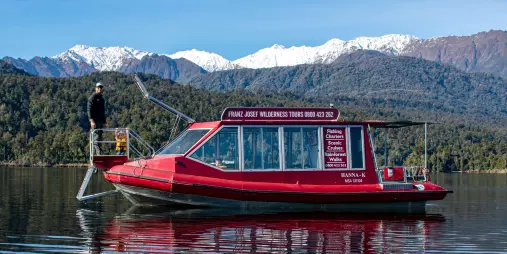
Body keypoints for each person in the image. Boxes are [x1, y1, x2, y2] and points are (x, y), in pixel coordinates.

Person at [88, 82, 106, 155]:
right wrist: (91, 120)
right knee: (95, 138)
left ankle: (98, 154)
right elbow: (89, 109)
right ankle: (98, 154)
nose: (100, 89)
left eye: (101, 88)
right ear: (96, 88)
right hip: (95, 122)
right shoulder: (92, 97)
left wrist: (104, 122)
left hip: (101, 121)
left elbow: (103, 111)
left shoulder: (102, 99)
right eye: (98, 88)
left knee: (100, 138)